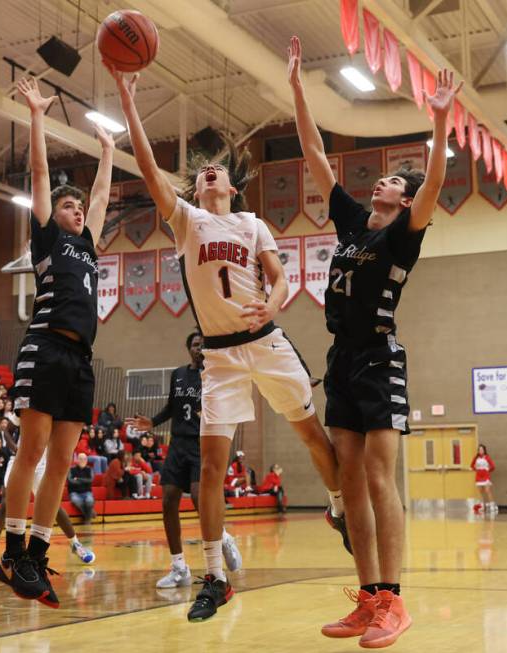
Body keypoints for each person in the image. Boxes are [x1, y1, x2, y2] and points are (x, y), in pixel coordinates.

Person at [111, 56, 346, 624]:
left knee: (314, 438)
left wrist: (278, 296)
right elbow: (147, 168)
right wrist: (127, 100)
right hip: (218, 358)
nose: (207, 175)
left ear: (234, 186)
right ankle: (215, 576)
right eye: (201, 173)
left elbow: (283, 273)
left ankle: (339, 508)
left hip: (265, 340)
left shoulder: (252, 223)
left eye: (217, 172)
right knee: (209, 469)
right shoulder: (187, 220)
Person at [288, 39, 465, 644]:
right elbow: (315, 156)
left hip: (379, 356)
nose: (379, 182)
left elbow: (436, 179)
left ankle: (394, 599)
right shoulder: (352, 225)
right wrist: (295, 89)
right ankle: (367, 597)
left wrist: (439, 122)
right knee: (352, 481)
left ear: (405, 200)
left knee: (383, 479)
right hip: (341, 358)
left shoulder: (404, 235)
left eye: (391, 179)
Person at [0, 77, 112, 609]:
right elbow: (40, 173)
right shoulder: (47, 237)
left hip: (81, 358)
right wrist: (37, 116)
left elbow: (104, 193)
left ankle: (36, 556)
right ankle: (11, 552)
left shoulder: (88, 244)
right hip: (45, 344)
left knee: (61, 462)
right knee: (33, 451)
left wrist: (109, 150)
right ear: (54, 215)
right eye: (69, 207)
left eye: (79, 208)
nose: (77, 211)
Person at [127, 331, 244, 589]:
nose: (198, 348)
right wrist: (152, 422)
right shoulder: (178, 374)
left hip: (202, 443)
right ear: (188, 348)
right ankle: (179, 567)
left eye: (203, 344)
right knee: (168, 499)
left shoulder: (214, 374)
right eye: (194, 344)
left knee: (198, 496)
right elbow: (172, 407)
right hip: (177, 444)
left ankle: (223, 537)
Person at [0, 419, 97, 575]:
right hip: (21, 460)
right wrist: (14, 447)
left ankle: (76, 544)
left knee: (53, 506)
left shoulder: (58, 412)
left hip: (42, 463)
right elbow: (6, 429)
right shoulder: (30, 404)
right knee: (7, 505)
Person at [67, 453, 95, 522]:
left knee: (90, 501)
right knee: (76, 500)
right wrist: (84, 480)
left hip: (87, 492)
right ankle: (89, 514)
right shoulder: (71, 469)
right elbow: (71, 481)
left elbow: (90, 480)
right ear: (77, 460)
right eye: (80, 459)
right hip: (74, 493)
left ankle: (87, 515)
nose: (82, 460)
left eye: (84, 459)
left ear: (86, 460)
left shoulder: (89, 469)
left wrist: (78, 479)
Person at [471, 445, 497, 515]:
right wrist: (476, 469)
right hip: (478, 477)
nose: (480, 451)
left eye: (482, 449)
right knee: (481, 492)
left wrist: (488, 470)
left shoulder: (487, 457)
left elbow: (493, 466)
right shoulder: (476, 458)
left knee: (487, 491)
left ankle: (492, 505)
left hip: (485, 476)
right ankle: (483, 505)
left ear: (484, 450)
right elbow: (472, 465)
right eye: (479, 450)